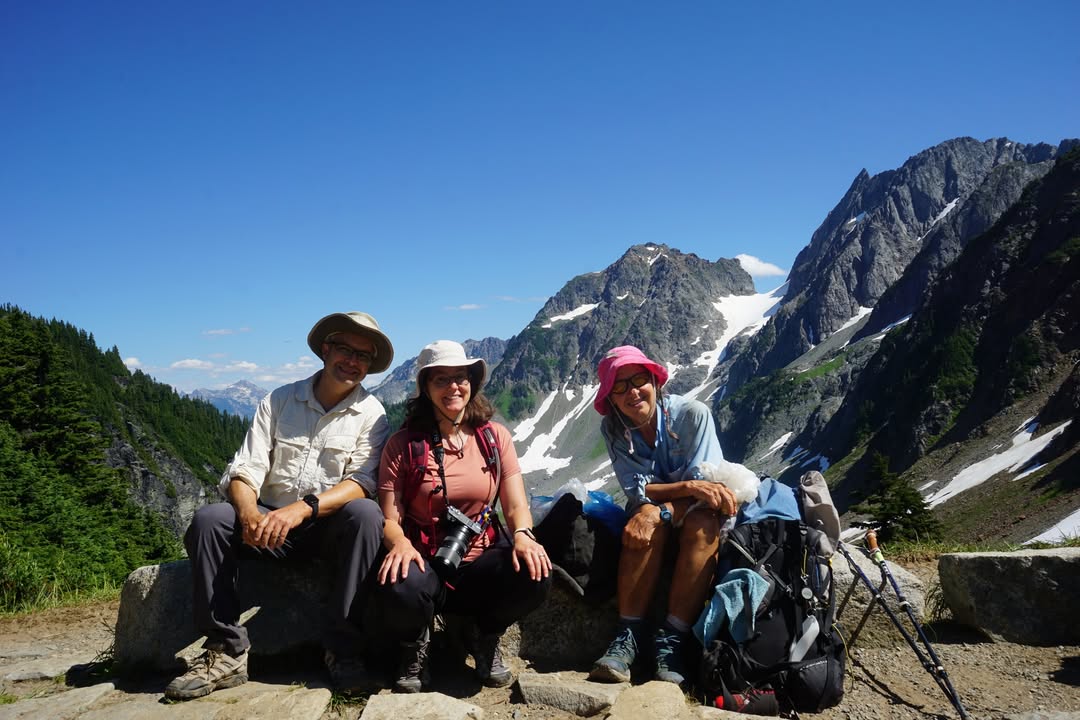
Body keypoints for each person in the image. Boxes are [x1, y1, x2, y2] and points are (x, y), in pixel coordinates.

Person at [164, 311, 393, 701]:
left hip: (324, 527)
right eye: (345, 349)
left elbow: (362, 482)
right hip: (266, 523)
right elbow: (244, 469)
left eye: (363, 356)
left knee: (366, 514)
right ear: (326, 349)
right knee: (210, 519)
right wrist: (249, 514)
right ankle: (227, 650)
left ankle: (343, 649)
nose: (353, 361)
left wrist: (302, 509)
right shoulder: (279, 400)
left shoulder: (372, 415)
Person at [376, 340, 551, 693]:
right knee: (400, 580)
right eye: (441, 380)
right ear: (425, 388)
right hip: (425, 561)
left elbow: (515, 506)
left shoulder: (494, 438)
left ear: (472, 382)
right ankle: (415, 644)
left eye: (461, 378)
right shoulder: (403, 445)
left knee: (535, 574)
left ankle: (484, 636)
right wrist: (400, 545)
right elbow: (390, 519)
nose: (454, 387)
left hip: (480, 561)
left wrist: (523, 535)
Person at [587, 345, 738, 687]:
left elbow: (708, 490)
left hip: (701, 506)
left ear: (655, 382)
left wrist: (665, 507)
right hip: (671, 499)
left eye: (639, 379)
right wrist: (682, 490)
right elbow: (637, 490)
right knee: (641, 518)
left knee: (702, 524)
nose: (632, 392)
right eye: (619, 386)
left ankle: (672, 638)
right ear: (611, 398)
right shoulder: (613, 429)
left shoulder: (693, 415)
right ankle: (629, 635)